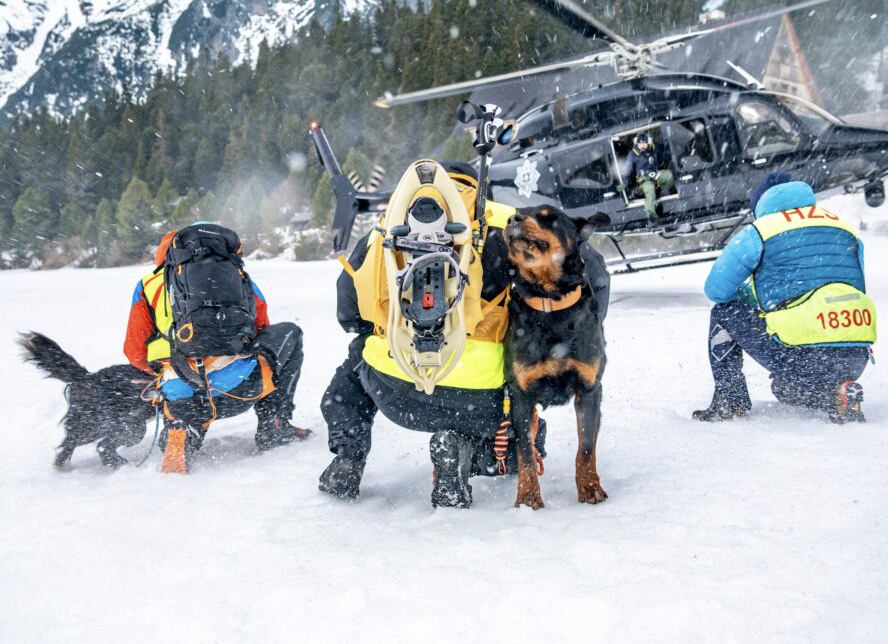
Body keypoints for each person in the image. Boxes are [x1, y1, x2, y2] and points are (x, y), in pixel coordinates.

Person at [319, 161, 610, 507]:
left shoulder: (383, 230)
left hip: (395, 393)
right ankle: (469, 454)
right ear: (477, 191)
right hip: (479, 400)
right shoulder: (506, 221)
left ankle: (349, 457)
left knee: (358, 356)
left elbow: (349, 315)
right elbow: (592, 272)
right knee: (528, 423)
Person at [124, 224, 310, 473]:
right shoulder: (236, 275)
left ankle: (183, 430)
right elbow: (261, 326)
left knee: (179, 390)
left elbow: (134, 352)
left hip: (186, 395)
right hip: (243, 388)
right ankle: (274, 424)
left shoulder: (148, 285)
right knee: (291, 334)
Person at [693, 173, 875, 424]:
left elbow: (717, 290)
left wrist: (750, 295)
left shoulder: (762, 230)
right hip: (855, 354)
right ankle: (839, 392)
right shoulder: (842, 226)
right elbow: (855, 285)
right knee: (784, 389)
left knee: (724, 312)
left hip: (801, 354)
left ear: (760, 204)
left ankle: (730, 400)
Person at [618, 132, 674, 220]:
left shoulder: (655, 149)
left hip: (656, 174)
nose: (643, 145)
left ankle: (664, 189)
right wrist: (625, 182)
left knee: (669, 176)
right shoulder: (632, 154)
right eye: (640, 143)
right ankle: (651, 216)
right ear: (637, 143)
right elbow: (627, 169)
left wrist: (669, 153)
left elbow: (665, 156)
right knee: (650, 193)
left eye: (644, 143)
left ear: (648, 142)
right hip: (644, 179)